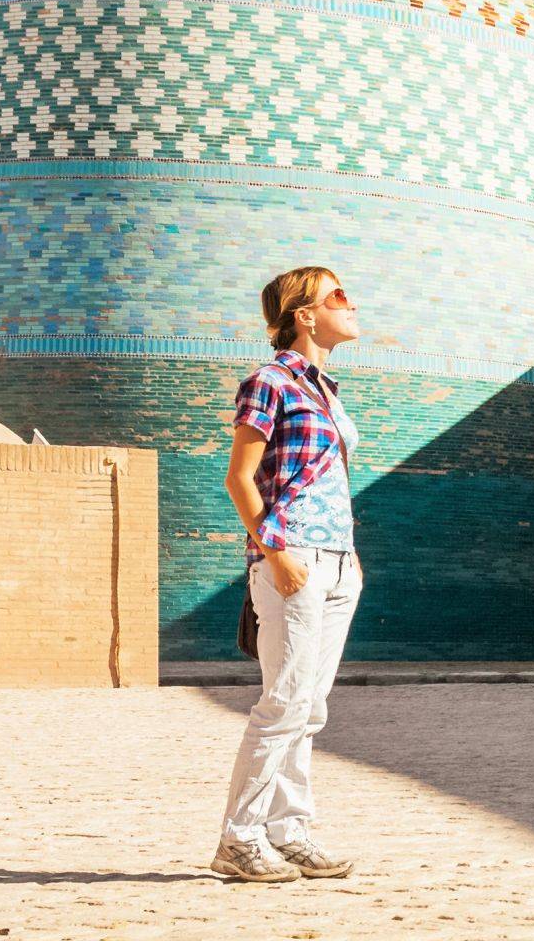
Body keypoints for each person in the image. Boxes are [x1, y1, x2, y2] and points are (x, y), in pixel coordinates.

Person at [210, 265, 364, 882]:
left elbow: (330, 479)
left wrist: (348, 556)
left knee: (312, 707)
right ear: (304, 315)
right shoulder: (268, 382)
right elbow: (240, 479)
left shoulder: (326, 389)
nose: (352, 305)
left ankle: (289, 829)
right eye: (338, 296)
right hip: (292, 561)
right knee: (283, 703)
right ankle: (239, 838)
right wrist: (276, 554)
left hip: (336, 566)